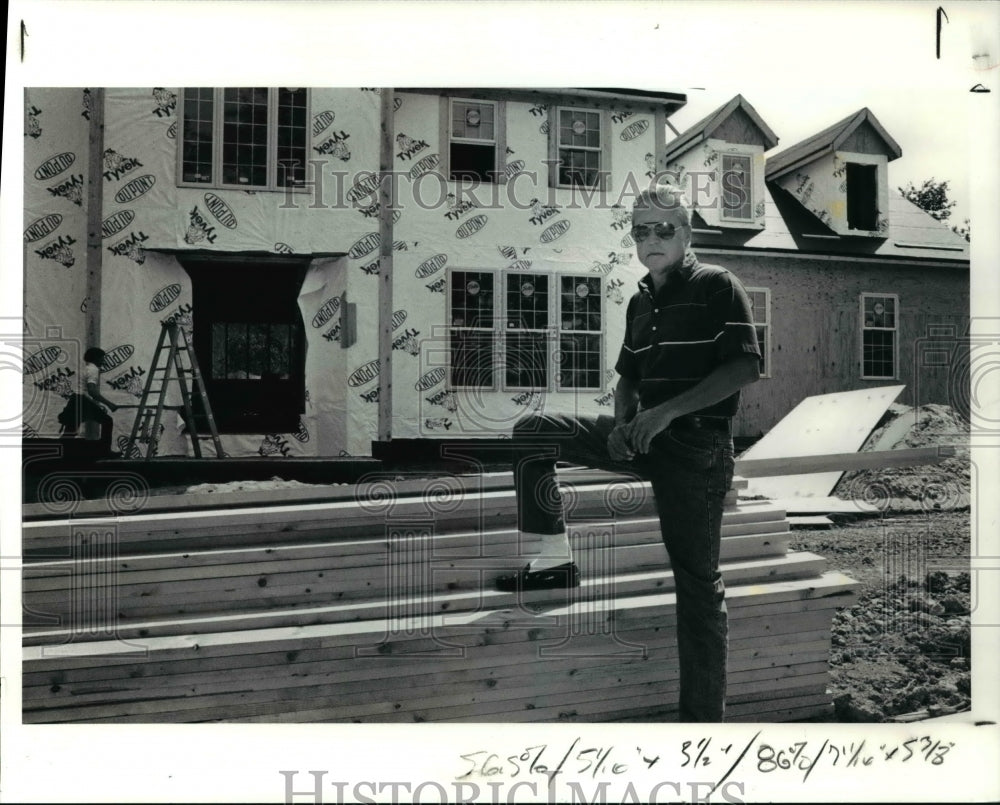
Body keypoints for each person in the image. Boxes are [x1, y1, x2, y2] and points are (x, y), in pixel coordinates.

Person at [495, 183, 762, 722]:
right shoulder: (641, 300)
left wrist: (664, 414)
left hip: (697, 448)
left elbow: (743, 368)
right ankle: (553, 562)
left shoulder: (717, 285)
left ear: (687, 234)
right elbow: (629, 379)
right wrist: (620, 426)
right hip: (642, 435)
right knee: (532, 430)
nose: (653, 238)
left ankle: (703, 723)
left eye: (666, 228)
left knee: (697, 584)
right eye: (642, 229)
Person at [57, 347, 120, 455]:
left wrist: (95, 404)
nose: (103, 361)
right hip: (82, 400)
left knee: (70, 431)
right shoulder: (93, 369)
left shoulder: (85, 368)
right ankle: (105, 451)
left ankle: (58, 453)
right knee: (107, 421)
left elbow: (86, 391)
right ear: (96, 358)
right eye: (102, 358)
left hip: (75, 400)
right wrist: (109, 404)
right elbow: (92, 391)